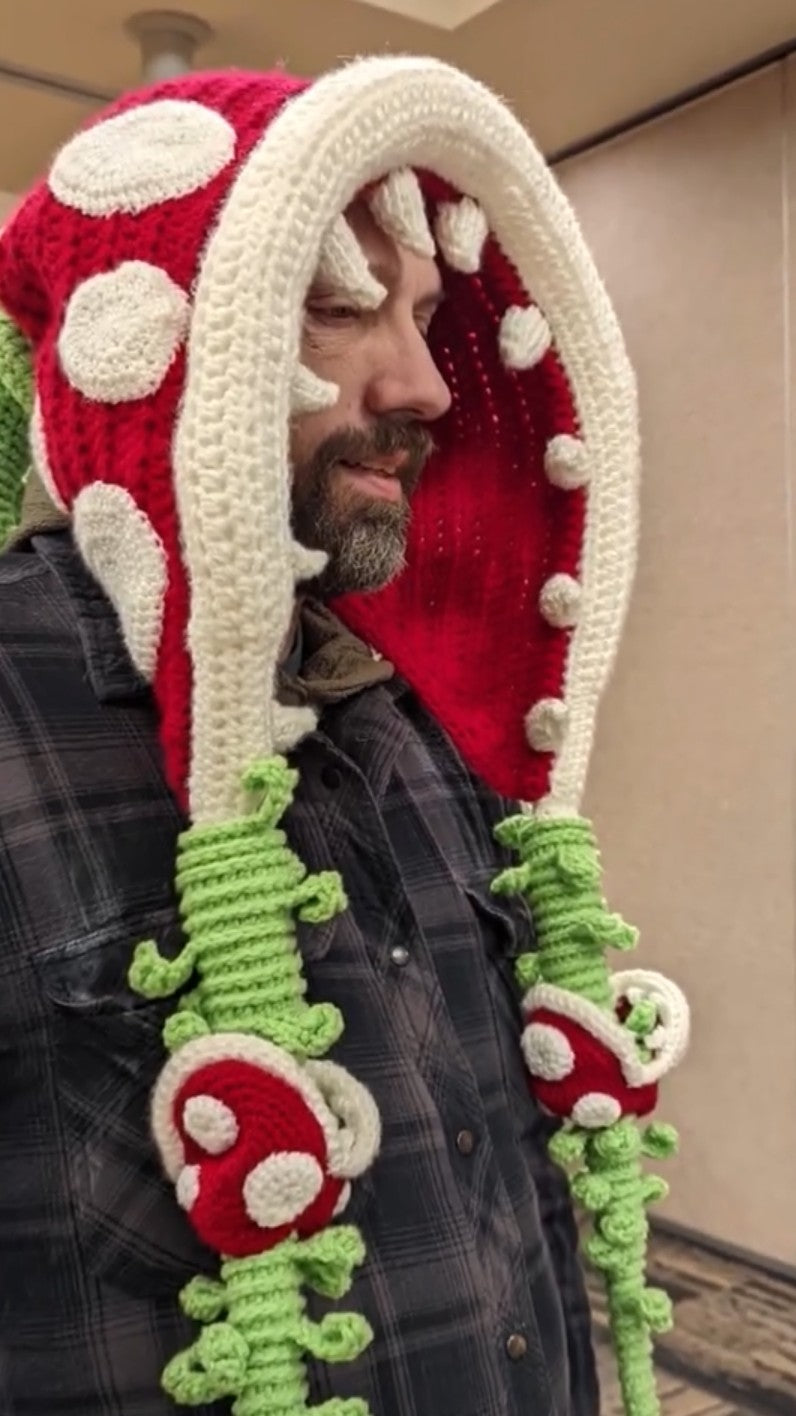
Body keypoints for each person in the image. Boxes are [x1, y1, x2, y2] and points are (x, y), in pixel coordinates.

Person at [0, 54, 687, 1416]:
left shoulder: (414, 710)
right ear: (165, 345)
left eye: (430, 318)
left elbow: (512, 1178)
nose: (429, 386)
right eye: (336, 307)